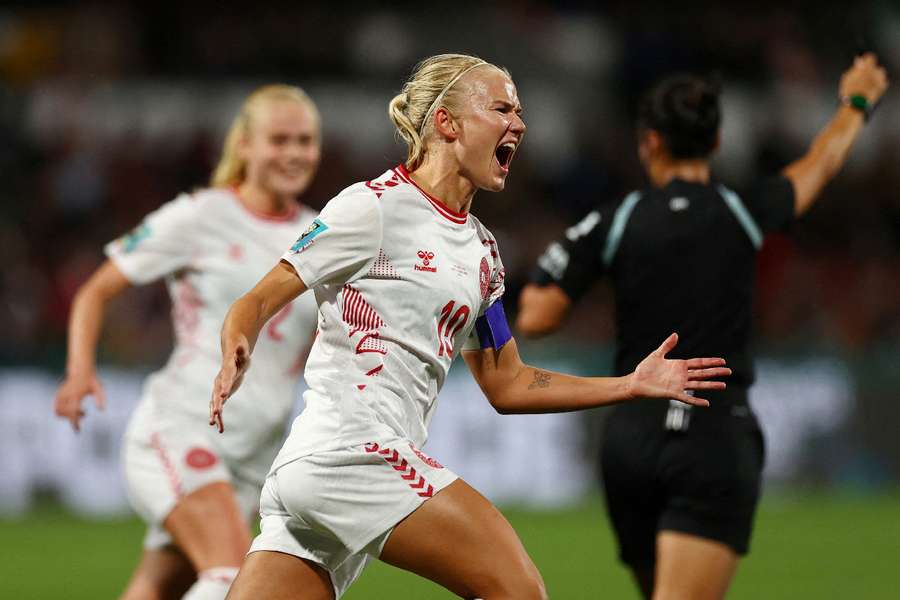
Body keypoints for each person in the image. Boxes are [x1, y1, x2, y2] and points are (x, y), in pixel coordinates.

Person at [208, 53, 731, 600]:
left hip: (321, 475)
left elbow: (509, 383)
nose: (519, 124)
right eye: (502, 108)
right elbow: (258, 298)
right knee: (518, 590)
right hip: (353, 451)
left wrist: (628, 384)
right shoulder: (372, 207)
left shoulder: (483, 252)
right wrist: (236, 345)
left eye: (521, 112)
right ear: (447, 123)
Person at [517, 53, 889, 600]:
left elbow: (537, 317)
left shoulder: (616, 219)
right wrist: (855, 103)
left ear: (649, 143)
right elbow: (820, 163)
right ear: (716, 144)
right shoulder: (743, 209)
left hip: (633, 438)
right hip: (713, 432)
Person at [53, 84, 323, 600]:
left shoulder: (319, 233)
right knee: (230, 578)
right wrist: (79, 370)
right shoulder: (200, 215)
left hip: (254, 454)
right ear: (244, 144)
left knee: (157, 589)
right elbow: (96, 290)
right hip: (182, 428)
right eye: (280, 139)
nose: (294, 154)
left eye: (305, 141)